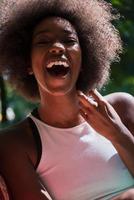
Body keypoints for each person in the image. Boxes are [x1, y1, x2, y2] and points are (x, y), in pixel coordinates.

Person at [0, 0, 134, 199]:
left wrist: (118, 134)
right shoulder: (14, 143)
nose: (56, 47)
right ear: (27, 63)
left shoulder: (122, 107)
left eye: (69, 40)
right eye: (43, 41)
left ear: (84, 58)